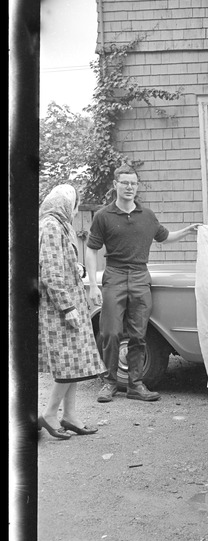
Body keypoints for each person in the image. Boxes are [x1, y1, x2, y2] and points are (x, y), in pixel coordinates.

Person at [85, 164, 201, 403]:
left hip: (140, 276)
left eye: (133, 183)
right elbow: (91, 249)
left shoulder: (147, 216)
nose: (129, 187)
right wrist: (94, 286)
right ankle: (109, 383)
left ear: (137, 187)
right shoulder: (103, 216)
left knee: (139, 334)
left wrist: (187, 231)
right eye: (125, 183)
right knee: (110, 332)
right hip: (114, 275)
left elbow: (165, 237)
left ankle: (136, 385)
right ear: (115, 185)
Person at [38, 184, 105, 439]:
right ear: (66, 204)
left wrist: (77, 267)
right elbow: (51, 274)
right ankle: (51, 413)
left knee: (75, 362)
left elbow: (60, 263)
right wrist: (67, 307)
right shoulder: (51, 226)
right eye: (75, 204)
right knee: (68, 363)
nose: (76, 210)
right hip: (61, 307)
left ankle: (70, 415)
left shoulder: (60, 225)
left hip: (71, 302)